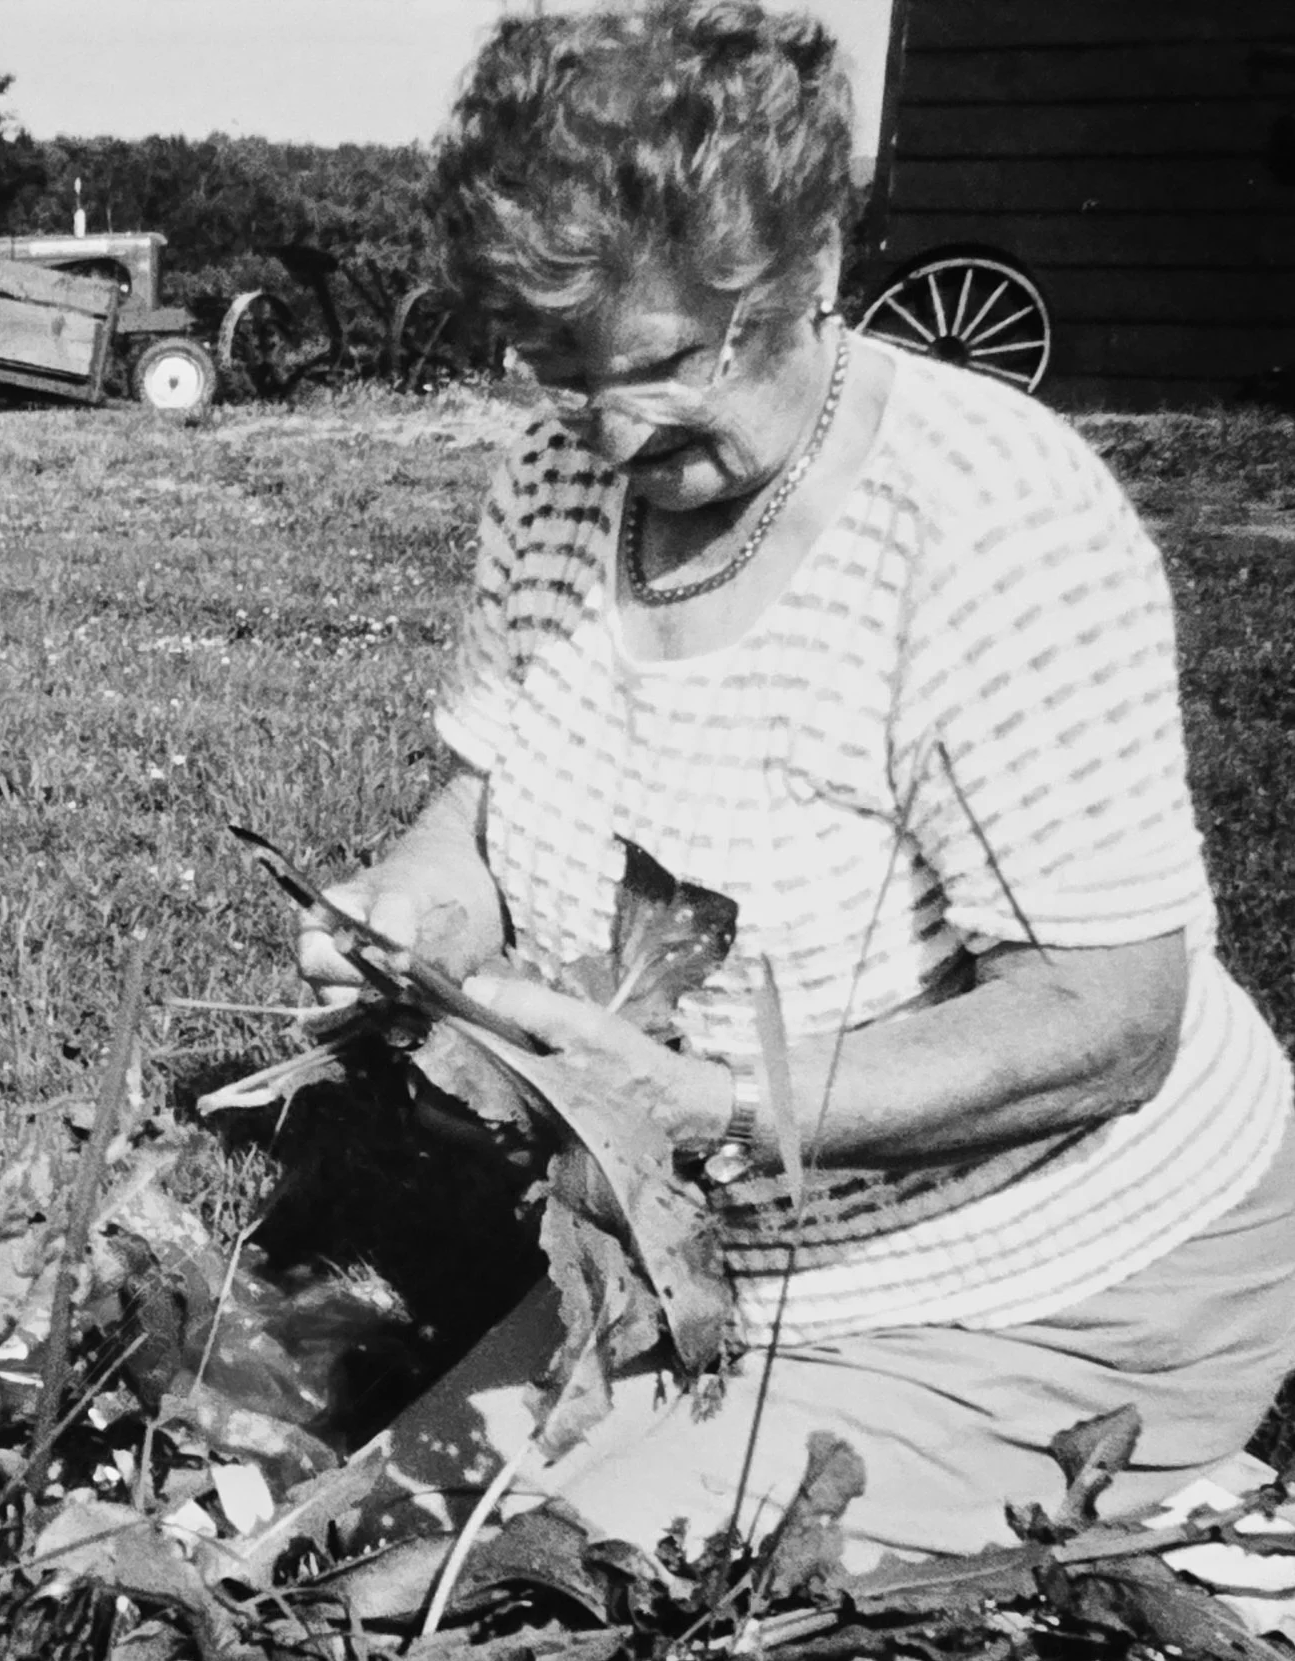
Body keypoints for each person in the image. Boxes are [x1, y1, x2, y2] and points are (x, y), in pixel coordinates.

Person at [299, 0, 1295, 1567]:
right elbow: (481, 800)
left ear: (811, 269)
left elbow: (1113, 1017)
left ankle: (1182, 1505)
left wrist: (736, 1109)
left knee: (517, 1593)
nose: (610, 427)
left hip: (1055, 1277)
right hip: (716, 1260)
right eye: (561, 366)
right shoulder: (556, 481)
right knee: (343, 1552)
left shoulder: (987, 520)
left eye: (665, 362)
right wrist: (416, 902)